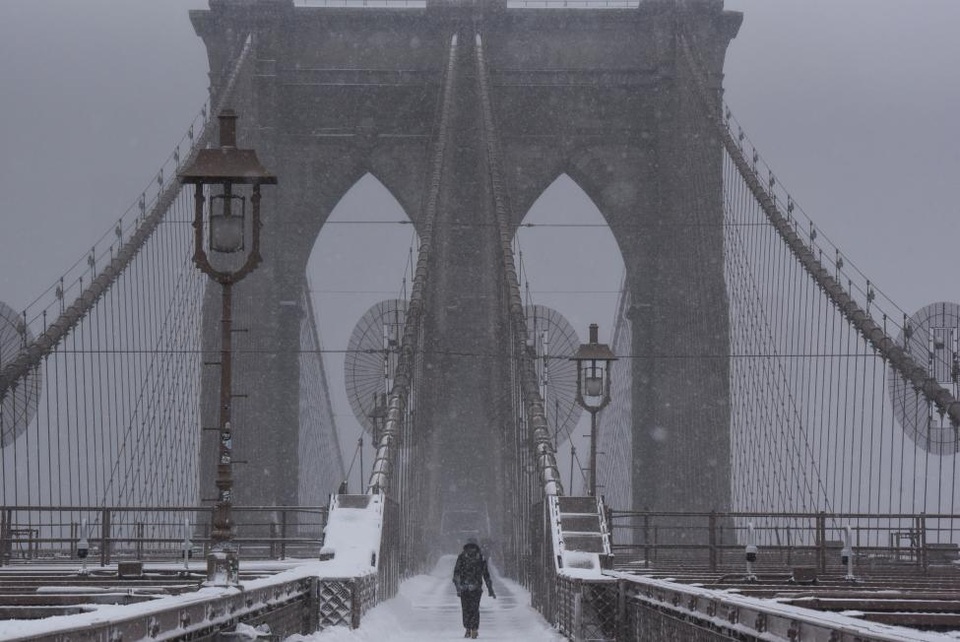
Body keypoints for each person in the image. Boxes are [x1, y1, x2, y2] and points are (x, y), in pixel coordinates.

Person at [452, 539, 496, 638]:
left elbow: (456, 574)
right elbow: (486, 575)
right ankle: (474, 628)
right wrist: (490, 589)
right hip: (476, 588)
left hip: (464, 588)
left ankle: (468, 628)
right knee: (475, 608)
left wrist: (458, 587)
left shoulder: (462, 557)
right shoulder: (480, 557)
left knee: (466, 608)